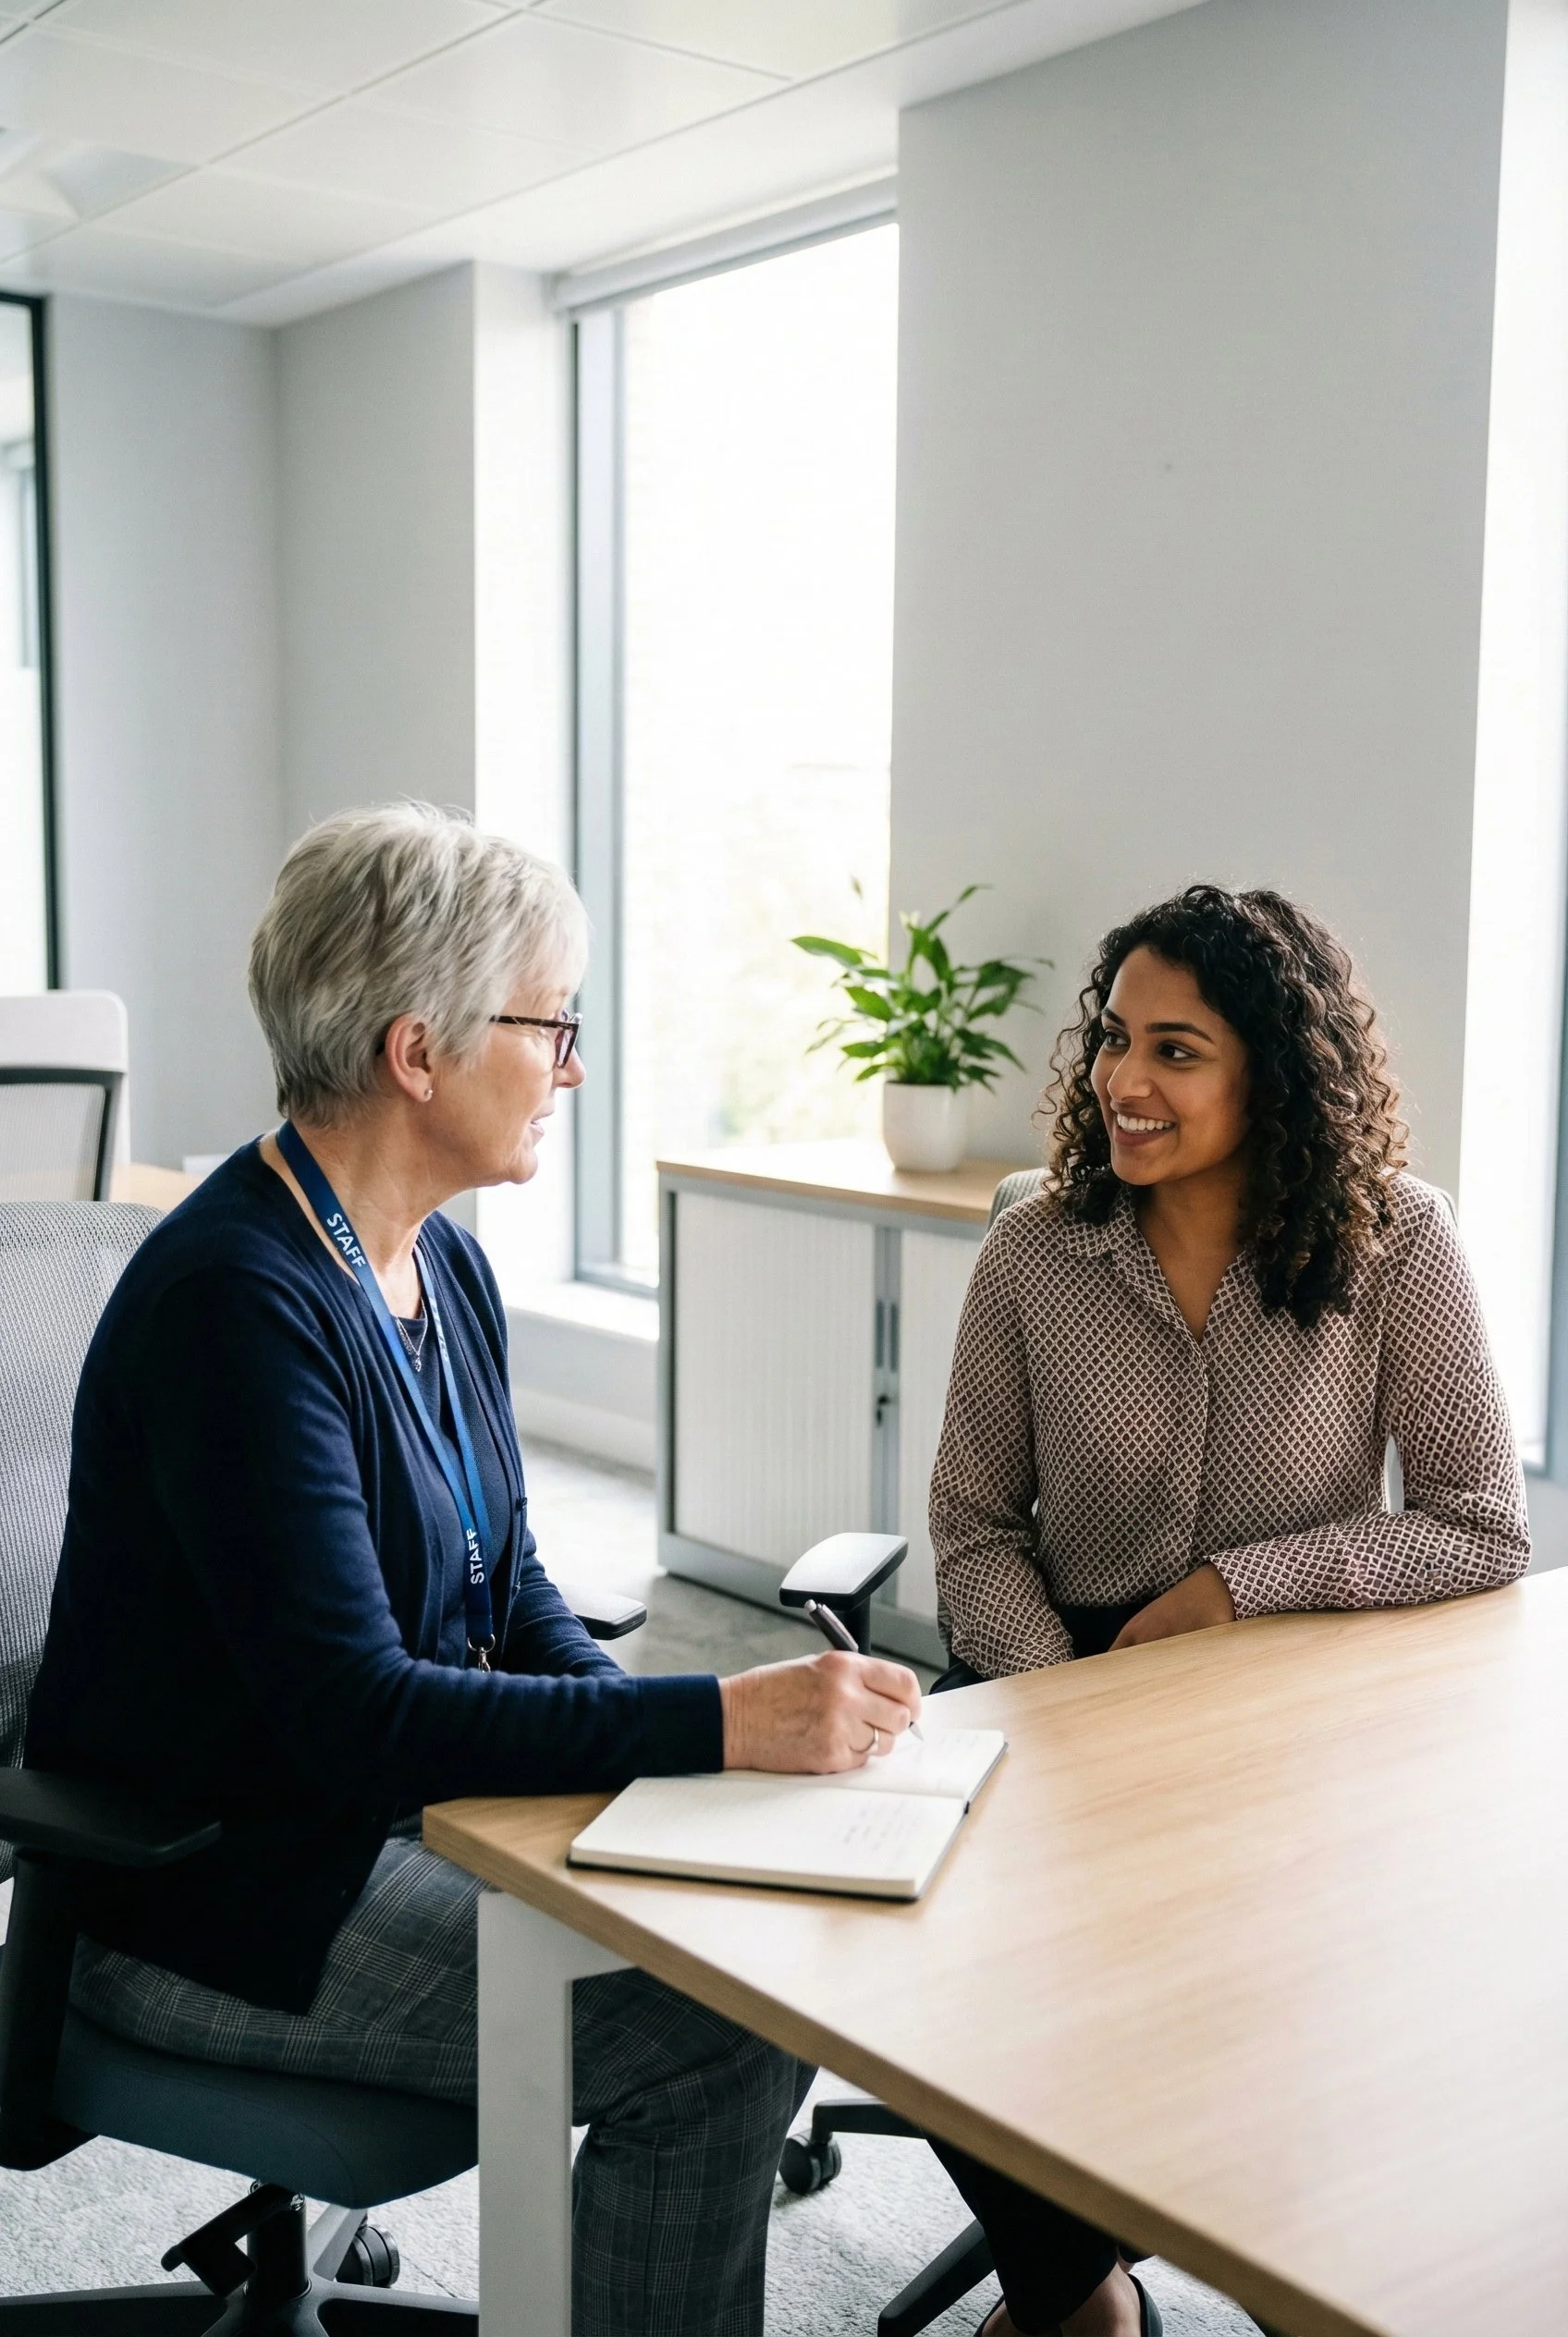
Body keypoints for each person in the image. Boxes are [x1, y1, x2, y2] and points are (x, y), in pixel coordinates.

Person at [26, 801, 923, 2337]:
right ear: (416, 1049)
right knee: (715, 2029)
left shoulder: (434, 1255)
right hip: (214, 1897)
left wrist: (658, 1789)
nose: (572, 1064)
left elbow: (506, 1595)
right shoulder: (237, 1308)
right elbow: (360, 1717)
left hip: (389, 1827)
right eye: (551, 1022)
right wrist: (713, 1723)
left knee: (754, 1928)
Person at [924, 884, 1529, 2337]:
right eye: (1114, 1041)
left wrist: (1240, 1587)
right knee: (920, 1979)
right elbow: (971, 1529)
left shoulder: (1398, 1244)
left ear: (1280, 1071)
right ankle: (1075, 2290)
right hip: (1051, 1674)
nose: (1122, 1084)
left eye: (1177, 1052)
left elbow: (1480, 1524)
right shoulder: (1034, 1252)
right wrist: (1052, 1698)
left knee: (1319, 2023)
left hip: (1289, 1711)